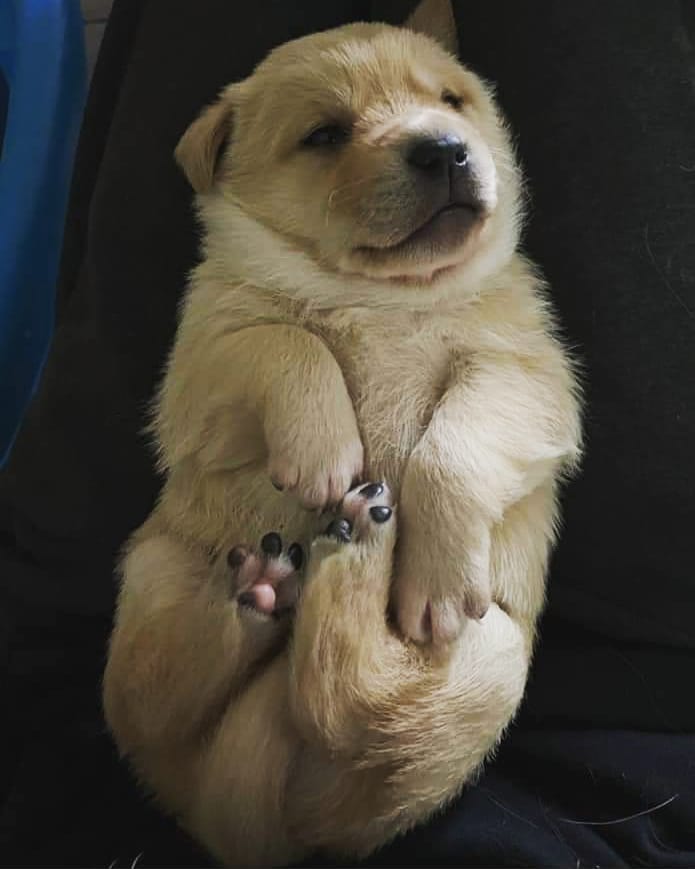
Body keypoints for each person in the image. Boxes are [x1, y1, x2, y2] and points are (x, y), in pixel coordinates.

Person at [1, 2, 693, 865]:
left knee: (487, 661)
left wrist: (451, 475)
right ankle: (255, 623)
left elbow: (535, 405)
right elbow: (194, 418)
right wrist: (286, 361)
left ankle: (345, 622)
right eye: (327, 134)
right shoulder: (239, 298)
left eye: (451, 99)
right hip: (193, 745)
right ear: (220, 167)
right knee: (154, 582)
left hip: (378, 755)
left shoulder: (497, 295)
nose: (434, 141)